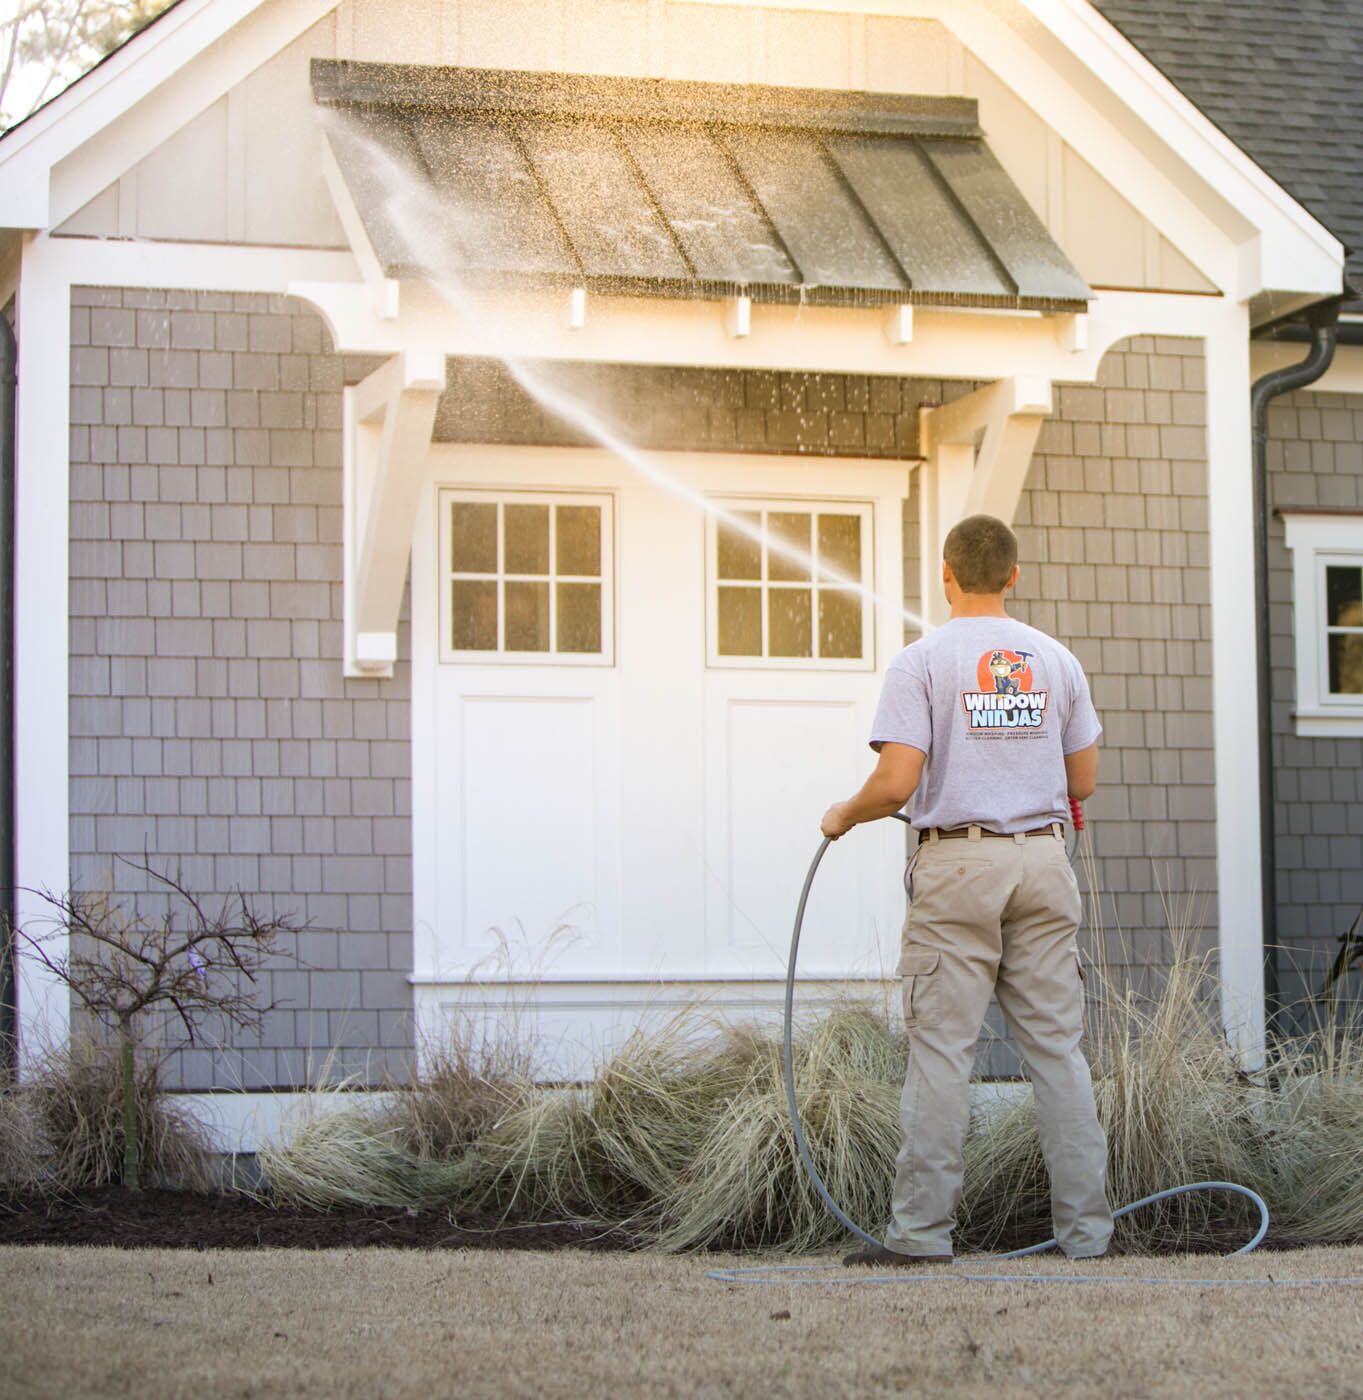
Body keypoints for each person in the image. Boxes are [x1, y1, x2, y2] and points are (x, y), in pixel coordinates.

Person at [820, 513, 1112, 1266]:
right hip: (1044, 863)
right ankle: (1087, 1236)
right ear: (1013, 576)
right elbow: (1081, 780)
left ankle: (920, 1236)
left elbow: (894, 784)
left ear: (944, 574)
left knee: (943, 1052)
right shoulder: (1056, 661)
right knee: (1056, 1051)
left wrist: (842, 815)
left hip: (957, 865)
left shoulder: (921, 661)